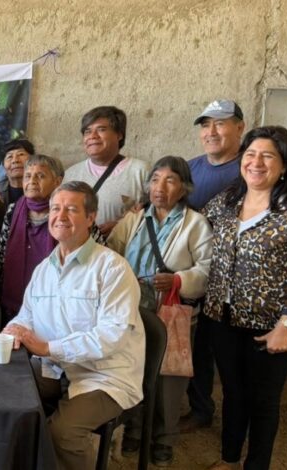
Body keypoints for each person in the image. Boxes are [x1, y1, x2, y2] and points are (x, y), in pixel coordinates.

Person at [202, 126, 287, 470]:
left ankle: (256, 465)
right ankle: (228, 460)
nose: (256, 163)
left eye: (267, 156)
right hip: (222, 317)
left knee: (263, 400)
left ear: (285, 165)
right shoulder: (228, 199)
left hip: (272, 326)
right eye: (251, 155)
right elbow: (195, 228)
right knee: (232, 393)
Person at [3, 181, 145, 470]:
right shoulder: (44, 268)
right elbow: (27, 315)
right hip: (55, 368)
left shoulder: (113, 268)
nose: (60, 216)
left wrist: (47, 347)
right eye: (56, 208)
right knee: (6, 397)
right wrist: (14, 330)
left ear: (91, 217)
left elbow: (111, 336)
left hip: (103, 375)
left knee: (63, 433)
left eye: (71, 209)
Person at [107, 156, 213, 466]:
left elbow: (208, 268)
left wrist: (179, 279)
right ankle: (135, 430)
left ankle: (164, 438)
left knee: (169, 377)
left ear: (184, 188)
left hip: (172, 311)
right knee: (133, 370)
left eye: (170, 181)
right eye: (155, 180)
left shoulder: (195, 223)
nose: (160, 187)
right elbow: (112, 253)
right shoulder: (135, 219)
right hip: (132, 310)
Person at [182, 99, 246, 433]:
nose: (211, 132)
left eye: (220, 124)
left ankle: (237, 422)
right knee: (199, 345)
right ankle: (200, 407)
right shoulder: (190, 168)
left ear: (240, 127)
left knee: (231, 353)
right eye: (206, 125)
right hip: (196, 271)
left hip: (236, 277)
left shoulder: (248, 168)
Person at [0, 154, 63, 322]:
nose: (32, 181)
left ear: (57, 182)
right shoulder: (13, 210)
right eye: (28, 176)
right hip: (13, 307)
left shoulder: (68, 213)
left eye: (41, 175)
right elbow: (0, 254)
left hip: (56, 309)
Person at [62, 106, 149, 237]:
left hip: (125, 254)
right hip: (82, 254)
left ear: (119, 134)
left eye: (101, 129)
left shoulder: (140, 171)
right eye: (87, 131)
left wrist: (123, 226)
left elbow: (159, 217)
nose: (92, 136)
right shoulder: (71, 174)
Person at [0, 139, 34, 207]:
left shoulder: (44, 190)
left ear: (33, 160)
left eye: (21, 154)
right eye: (10, 156)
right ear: (3, 165)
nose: (15, 160)